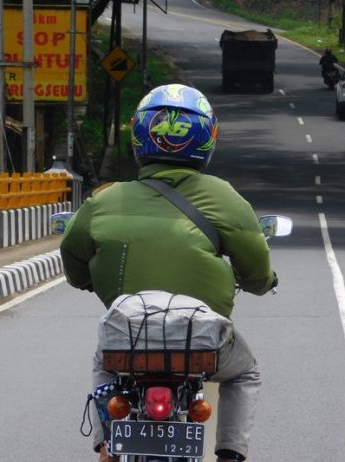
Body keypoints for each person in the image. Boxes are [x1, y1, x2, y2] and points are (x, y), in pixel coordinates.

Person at [60, 83, 277, 462]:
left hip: (126, 337)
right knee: (245, 373)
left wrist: (90, 280)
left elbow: (73, 261)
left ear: (139, 136)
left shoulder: (104, 200)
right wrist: (263, 282)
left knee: (103, 363)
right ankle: (229, 456)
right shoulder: (225, 198)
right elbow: (257, 275)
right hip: (202, 341)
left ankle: (107, 444)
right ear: (207, 138)